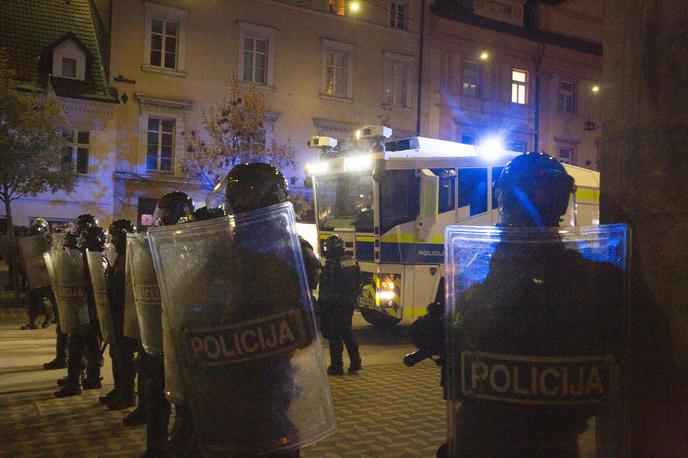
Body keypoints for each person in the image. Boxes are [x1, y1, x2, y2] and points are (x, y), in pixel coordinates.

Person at [411, 152, 627, 457]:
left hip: (484, 440)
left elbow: (436, 337)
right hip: (555, 442)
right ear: (564, 199)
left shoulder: (476, 274)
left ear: (503, 197)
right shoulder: (597, 280)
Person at [144, 191, 194, 457]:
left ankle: (176, 446)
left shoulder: (190, 242)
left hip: (184, 335)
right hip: (161, 332)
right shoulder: (159, 242)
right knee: (156, 391)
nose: (160, 218)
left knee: (185, 403)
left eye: (165, 212)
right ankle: (157, 447)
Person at [55, 214, 105, 397]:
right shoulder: (90, 258)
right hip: (86, 309)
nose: (80, 240)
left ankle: (77, 381)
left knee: (80, 345)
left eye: (84, 237)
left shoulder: (97, 260)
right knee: (87, 345)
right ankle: (85, 377)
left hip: (89, 310)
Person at [101, 219, 138, 410]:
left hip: (126, 315)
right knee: (116, 353)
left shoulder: (131, 257)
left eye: (114, 235)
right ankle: (119, 389)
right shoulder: (120, 257)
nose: (112, 239)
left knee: (124, 355)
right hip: (117, 313)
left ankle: (127, 394)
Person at [317, 234, 362, 376]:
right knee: (347, 333)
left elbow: (326, 288)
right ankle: (356, 363)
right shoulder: (353, 262)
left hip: (334, 306)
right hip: (348, 304)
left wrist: (321, 307)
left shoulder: (332, 264)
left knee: (335, 337)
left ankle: (336, 366)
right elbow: (358, 283)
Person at [19, 218, 56, 330]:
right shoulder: (30, 242)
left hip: (45, 272)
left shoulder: (50, 240)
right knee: (31, 297)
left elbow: (52, 255)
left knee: (42, 297)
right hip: (33, 272)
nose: (37, 231)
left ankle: (50, 315)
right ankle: (33, 322)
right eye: (35, 228)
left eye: (39, 228)